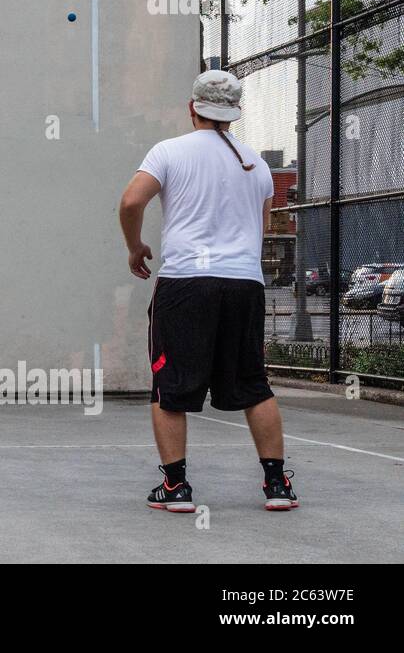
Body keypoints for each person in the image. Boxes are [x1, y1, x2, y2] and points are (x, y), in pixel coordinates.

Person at [119, 69, 298, 513]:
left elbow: (130, 202)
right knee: (253, 384)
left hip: (186, 284)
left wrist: (135, 245)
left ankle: (177, 488)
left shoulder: (169, 151)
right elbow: (260, 226)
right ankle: (277, 485)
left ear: (192, 107)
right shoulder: (256, 163)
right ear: (235, 113)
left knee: (171, 385)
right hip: (244, 284)